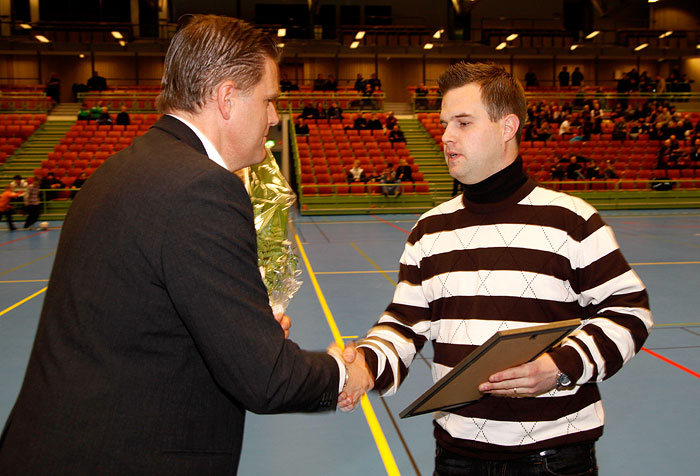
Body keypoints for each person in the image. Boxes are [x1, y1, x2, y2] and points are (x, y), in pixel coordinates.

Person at [0, 15, 372, 474]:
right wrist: (345, 372)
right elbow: (266, 379)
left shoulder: (120, 169)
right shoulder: (202, 188)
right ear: (227, 98)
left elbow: (147, 323)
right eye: (270, 100)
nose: (275, 117)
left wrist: (241, 331)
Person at [336, 62, 652, 475]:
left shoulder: (572, 219)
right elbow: (404, 324)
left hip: (554, 458)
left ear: (507, 127)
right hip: (457, 458)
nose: (446, 136)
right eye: (445, 122)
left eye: (464, 122)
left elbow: (629, 313)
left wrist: (561, 368)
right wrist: (364, 363)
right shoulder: (429, 229)